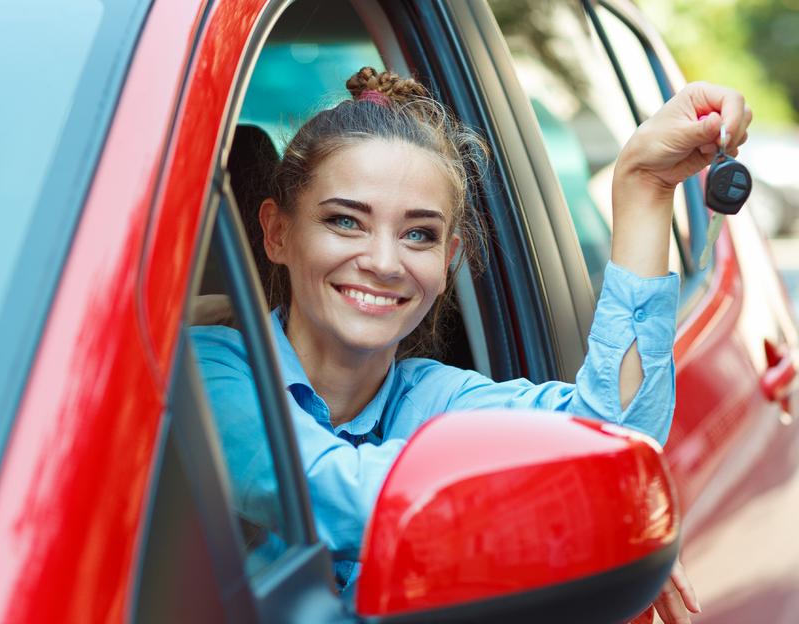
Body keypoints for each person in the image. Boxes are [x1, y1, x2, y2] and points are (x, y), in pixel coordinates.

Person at [192, 67, 750, 622]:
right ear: (277, 233)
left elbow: (610, 436)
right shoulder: (207, 370)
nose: (384, 263)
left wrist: (645, 188)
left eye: (419, 235)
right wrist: (563, 519)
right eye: (345, 221)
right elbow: (333, 492)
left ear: (448, 259)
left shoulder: (439, 398)